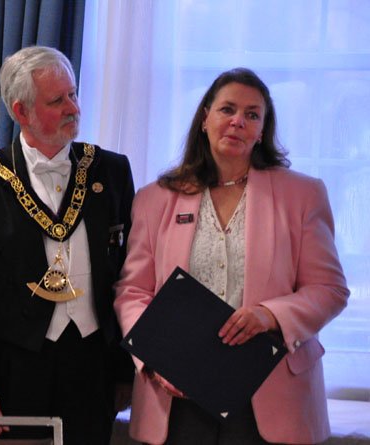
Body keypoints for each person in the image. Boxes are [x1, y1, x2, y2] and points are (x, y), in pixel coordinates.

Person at [114, 67, 349, 445]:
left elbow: (329, 289)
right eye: (227, 109)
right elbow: (133, 293)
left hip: (273, 396)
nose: (238, 121)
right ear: (205, 117)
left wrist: (270, 314)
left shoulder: (303, 195)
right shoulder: (154, 198)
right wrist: (156, 359)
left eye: (252, 115)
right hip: (176, 396)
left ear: (261, 131)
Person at [0, 45, 135, 444]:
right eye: (57, 100)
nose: (73, 107)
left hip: (91, 364)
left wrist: (123, 370)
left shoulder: (111, 171)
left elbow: (125, 276)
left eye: (73, 94)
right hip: (13, 370)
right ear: (21, 112)